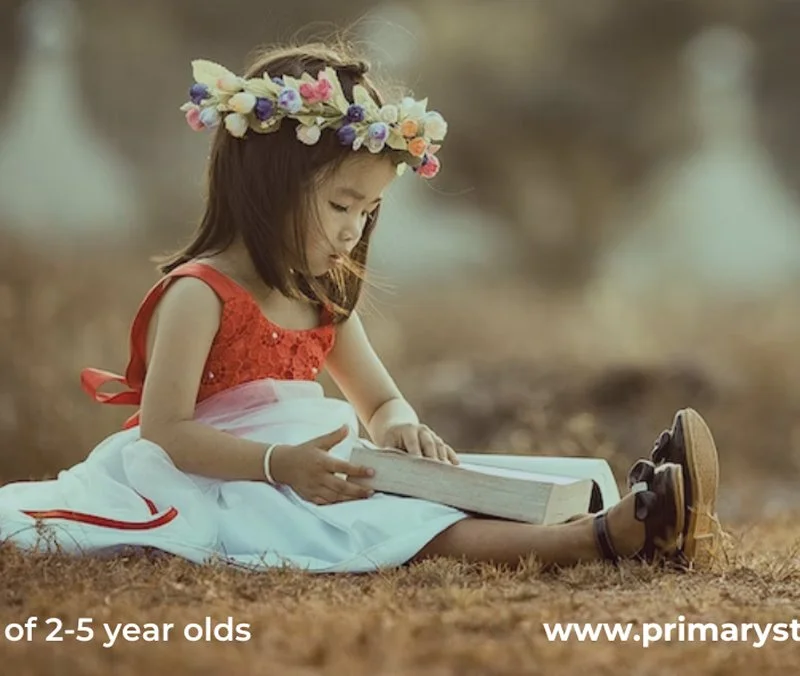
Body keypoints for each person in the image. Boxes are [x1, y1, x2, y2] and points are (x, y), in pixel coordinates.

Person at [0, 42, 720, 572]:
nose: (353, 229)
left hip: (325, 464)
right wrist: (279, 463)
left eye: (368, 212)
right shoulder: (199, 294)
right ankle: (599, 541)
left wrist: (404, 430)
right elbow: (165, 433)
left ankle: (637, 505)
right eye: (341, 204)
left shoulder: (323, 298)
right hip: (226, 480)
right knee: (398, 525)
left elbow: (379, 401)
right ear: (268, 185)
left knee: (461, 483)